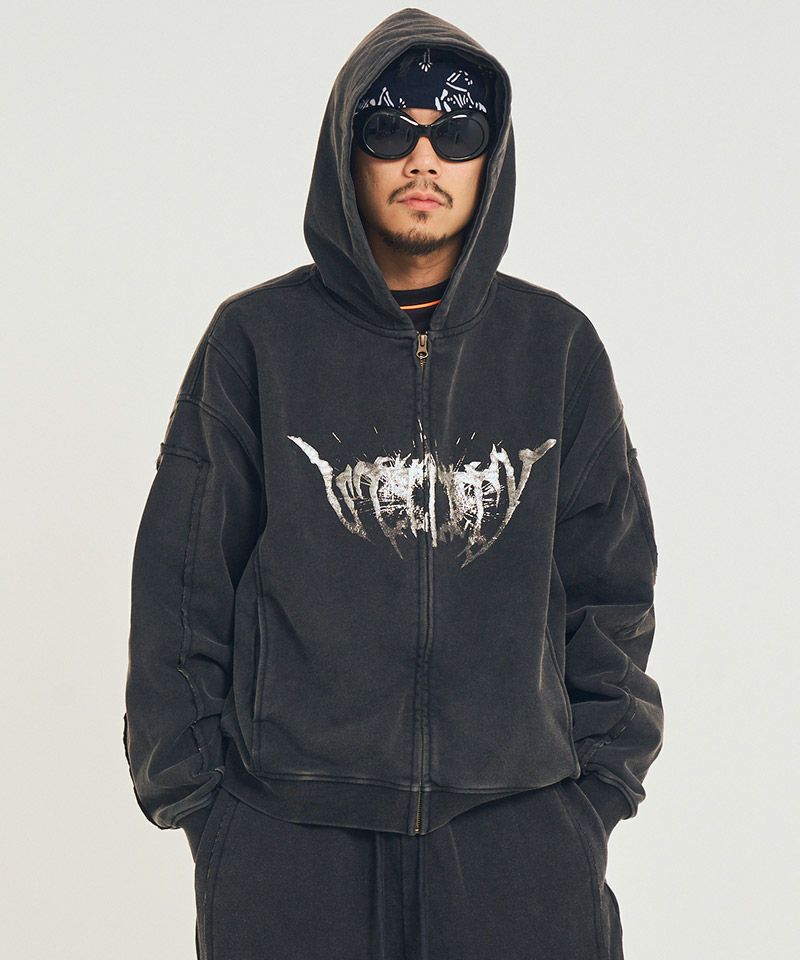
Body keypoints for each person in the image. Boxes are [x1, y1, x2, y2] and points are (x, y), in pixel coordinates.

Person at [123, 8, 663, 960]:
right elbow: (182, 582)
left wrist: (592, 799)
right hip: (291, 844)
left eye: (456, 132)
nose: (423, 158)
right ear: (347, 149)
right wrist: (208, 809)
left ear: (490, 157)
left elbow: (609, 585)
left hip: (520, 847)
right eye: (389, 130)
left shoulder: (555, 348)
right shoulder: (257, 343)